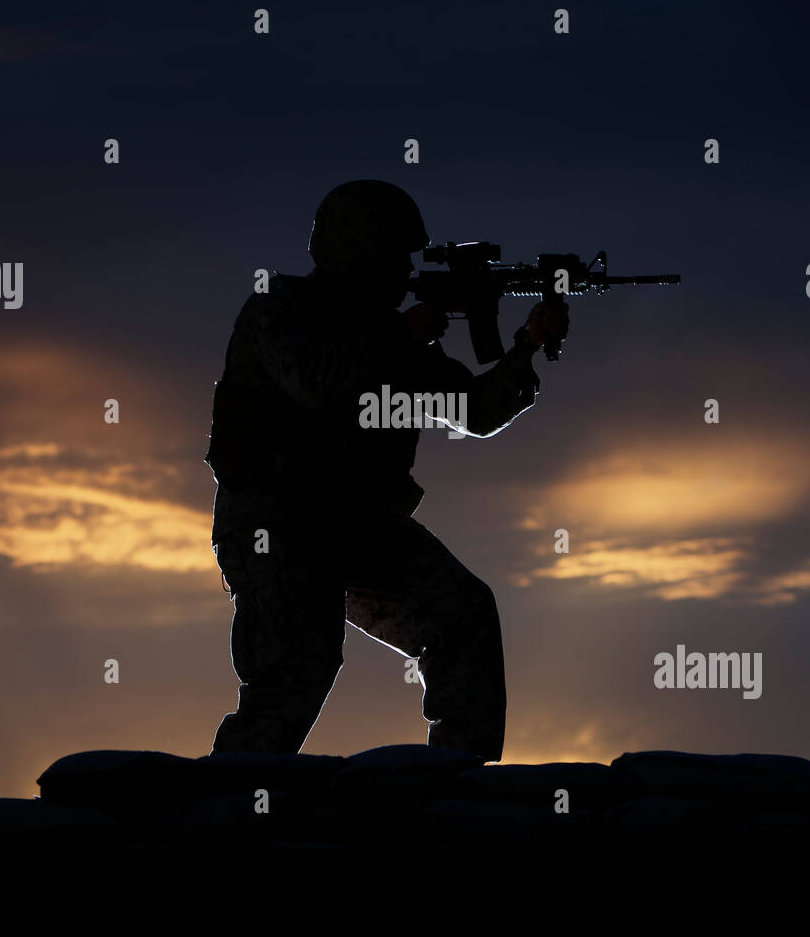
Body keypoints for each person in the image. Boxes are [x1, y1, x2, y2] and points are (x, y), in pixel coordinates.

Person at [204, 179, 567, 761]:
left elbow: (472, 410)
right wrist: (399, 334)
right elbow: (316, 384)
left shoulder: (396, 340)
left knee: (463, 616)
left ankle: (453, 789)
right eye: (392, 256)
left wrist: (526, 346)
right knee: (296, 670)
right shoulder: (278, 310)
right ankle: (229, 811)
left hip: (356, 523)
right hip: (276, 523)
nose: (403, 272)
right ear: (355, 252)